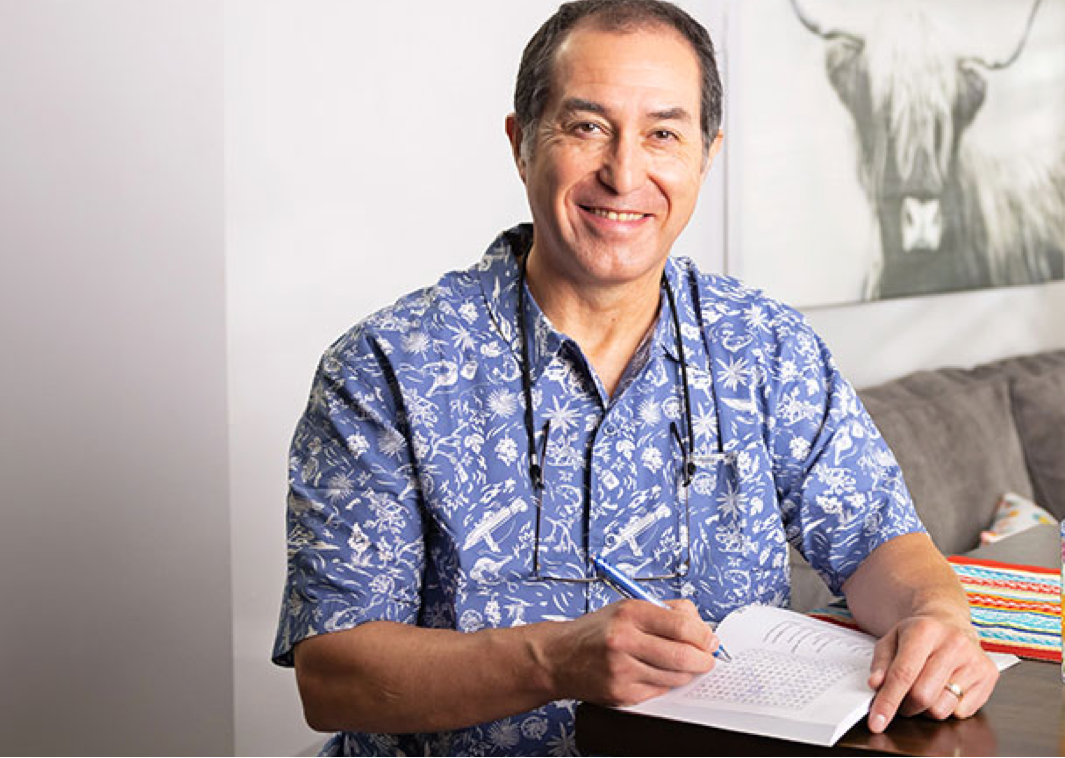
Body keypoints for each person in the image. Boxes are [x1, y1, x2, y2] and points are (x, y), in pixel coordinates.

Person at [272, 1, 999, 756]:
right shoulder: (385, 367)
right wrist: (551, 661)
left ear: (705, 156)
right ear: (522, 145)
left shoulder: (765, 347)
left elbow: (881, 542)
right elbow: (332, 676)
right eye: (586, 127)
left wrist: (935, 618)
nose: (624, 173)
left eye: (662, 133)